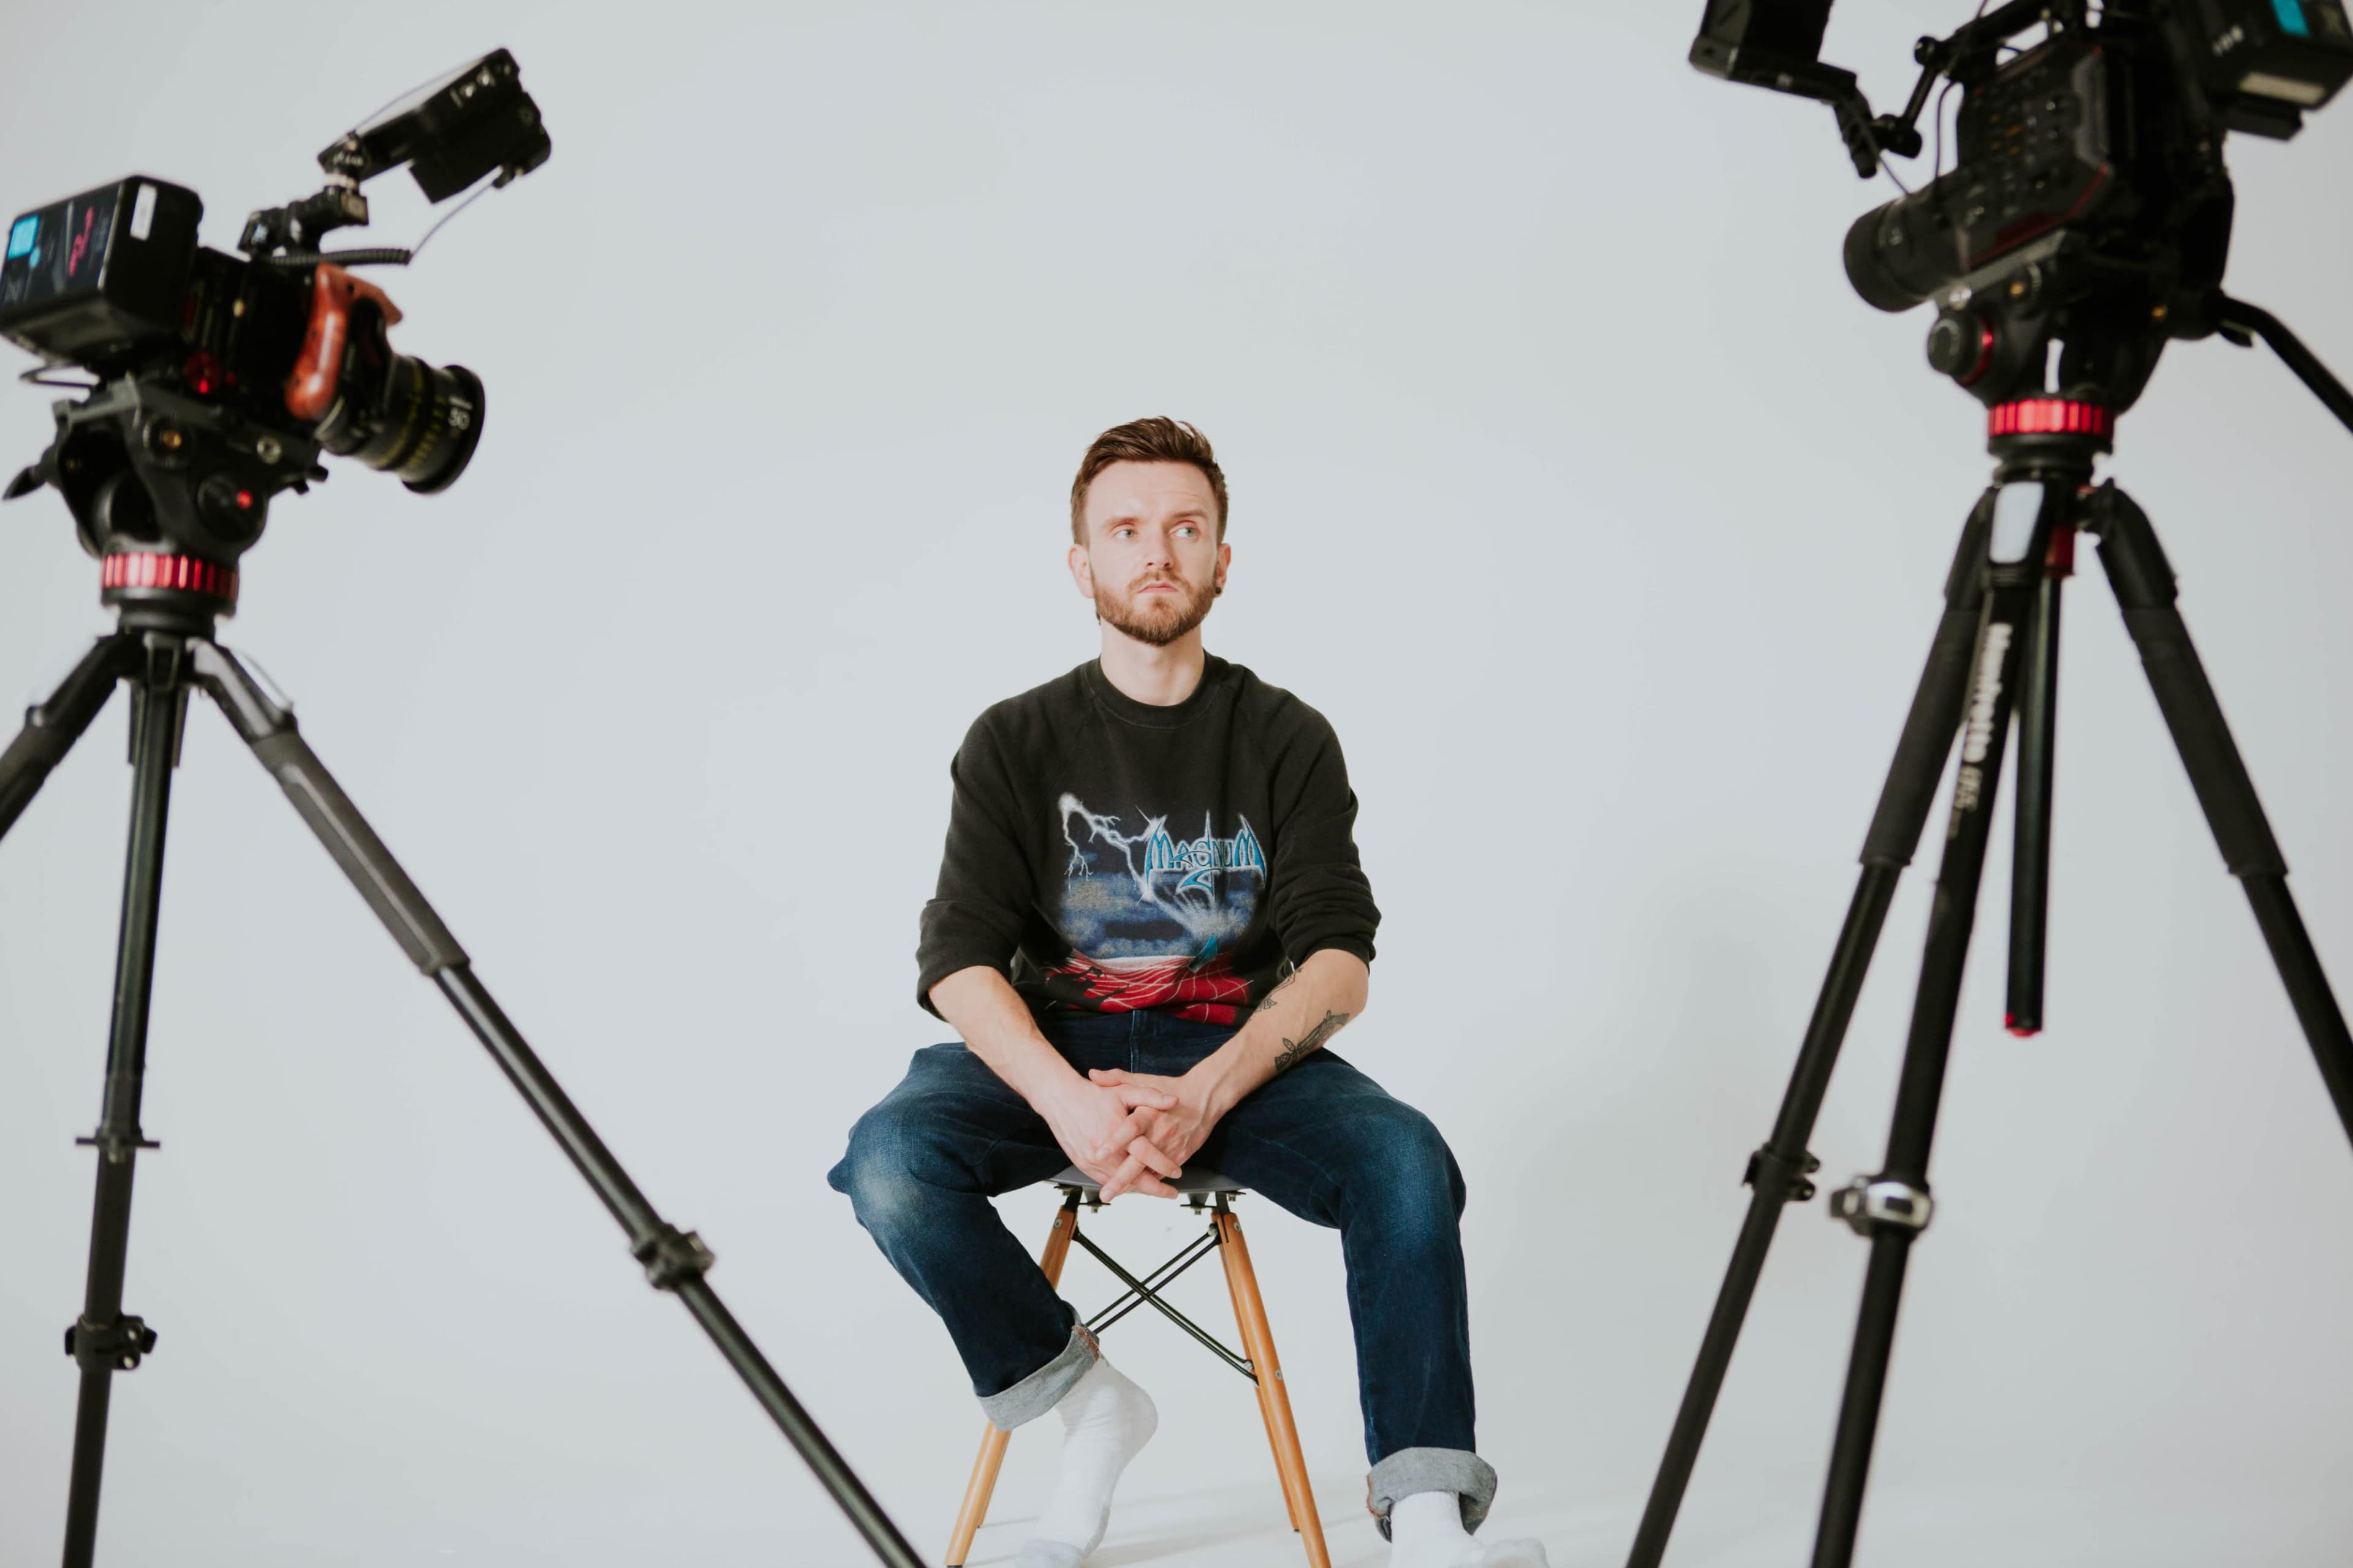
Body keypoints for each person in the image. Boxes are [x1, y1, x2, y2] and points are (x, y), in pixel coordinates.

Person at [828, 418, 1547, 1568]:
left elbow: (1339, 962)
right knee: (888, 1164)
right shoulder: (1014, 741)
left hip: (1239, 1055)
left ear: (1222, 559)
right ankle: (1086, 1403)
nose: (1155, 550)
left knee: (1407, 1162)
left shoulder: (1285, 736)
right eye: (1126, 530)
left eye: (1184, 528)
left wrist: (1208, 1093)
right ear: (1084, 565)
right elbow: (958, 961)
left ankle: (1422, 1517)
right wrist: (1068, 1102)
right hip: (1056, 1048)